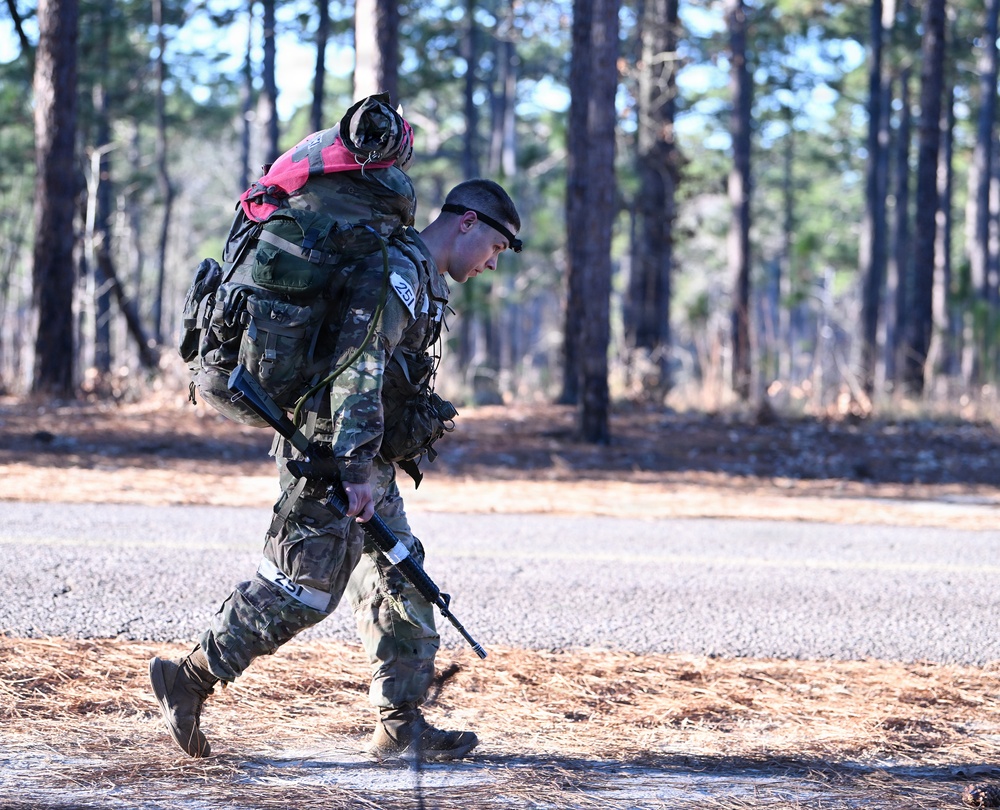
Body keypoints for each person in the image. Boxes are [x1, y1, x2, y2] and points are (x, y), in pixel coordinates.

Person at [149, 176, 522, 761]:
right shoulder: (397, 271)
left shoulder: (417, 276)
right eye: (497, 248)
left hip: (361, 456)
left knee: (401, 573)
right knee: (302, 591)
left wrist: (366, 461)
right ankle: (189, 679)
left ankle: (401, 725)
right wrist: (350, 469)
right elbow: (359, 366)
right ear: (468, 223)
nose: (493, 265)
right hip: (329, 456)